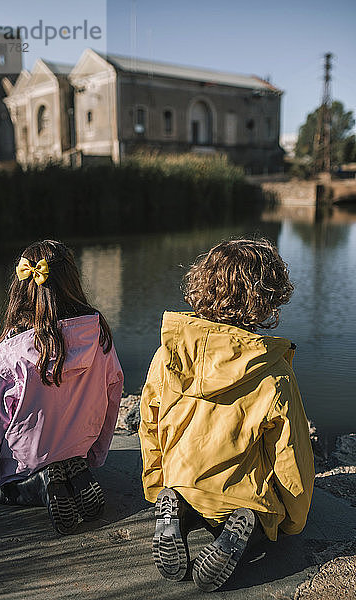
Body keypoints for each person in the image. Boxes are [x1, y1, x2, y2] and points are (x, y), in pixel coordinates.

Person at [138, 238, 314, 592]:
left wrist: (157, 484)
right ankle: (241, 532)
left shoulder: (168, 353)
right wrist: (292, 521)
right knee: (262, 521)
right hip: (241, 495)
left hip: (181, 480)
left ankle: (177, 511)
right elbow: (290, 455)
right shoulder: (272, 373)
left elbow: (149, 425)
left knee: (188, 494)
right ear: (267, 300)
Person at [0, 240, 123, 535]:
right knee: (71, 455)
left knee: (6, 490)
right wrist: (96, 455)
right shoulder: (98, 334)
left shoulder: (12, 350)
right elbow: (113, 395)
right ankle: (71, 470)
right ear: (72, 280)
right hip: (79, 447)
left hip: (29, 457)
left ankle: (40, 484)